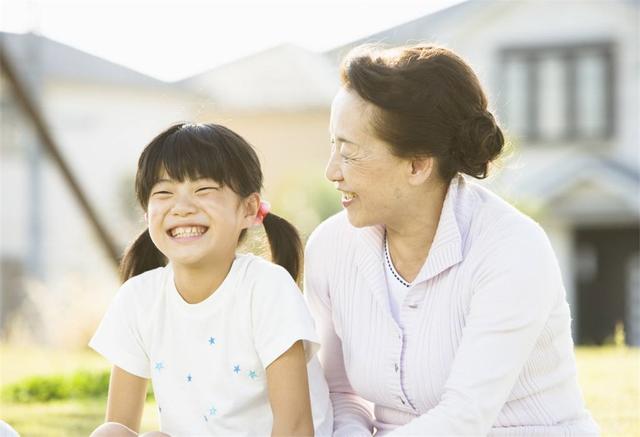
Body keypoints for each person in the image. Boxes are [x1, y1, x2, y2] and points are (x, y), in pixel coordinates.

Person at [304, 44, 599, 436]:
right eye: (332, 145)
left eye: (350, 152)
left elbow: (465, 417)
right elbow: (340, 394)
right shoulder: (330, 247)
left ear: (417, 165)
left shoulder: (511, 248)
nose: (332, 172)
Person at [89, 122, 332, 437]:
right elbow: (121, 423)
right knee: (110, 433)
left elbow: (296, 427)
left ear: (249, 208)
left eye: (203, 190)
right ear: (147, 214)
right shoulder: (138, 298)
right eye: (164, 193)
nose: (182, 208)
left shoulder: (267, 288)